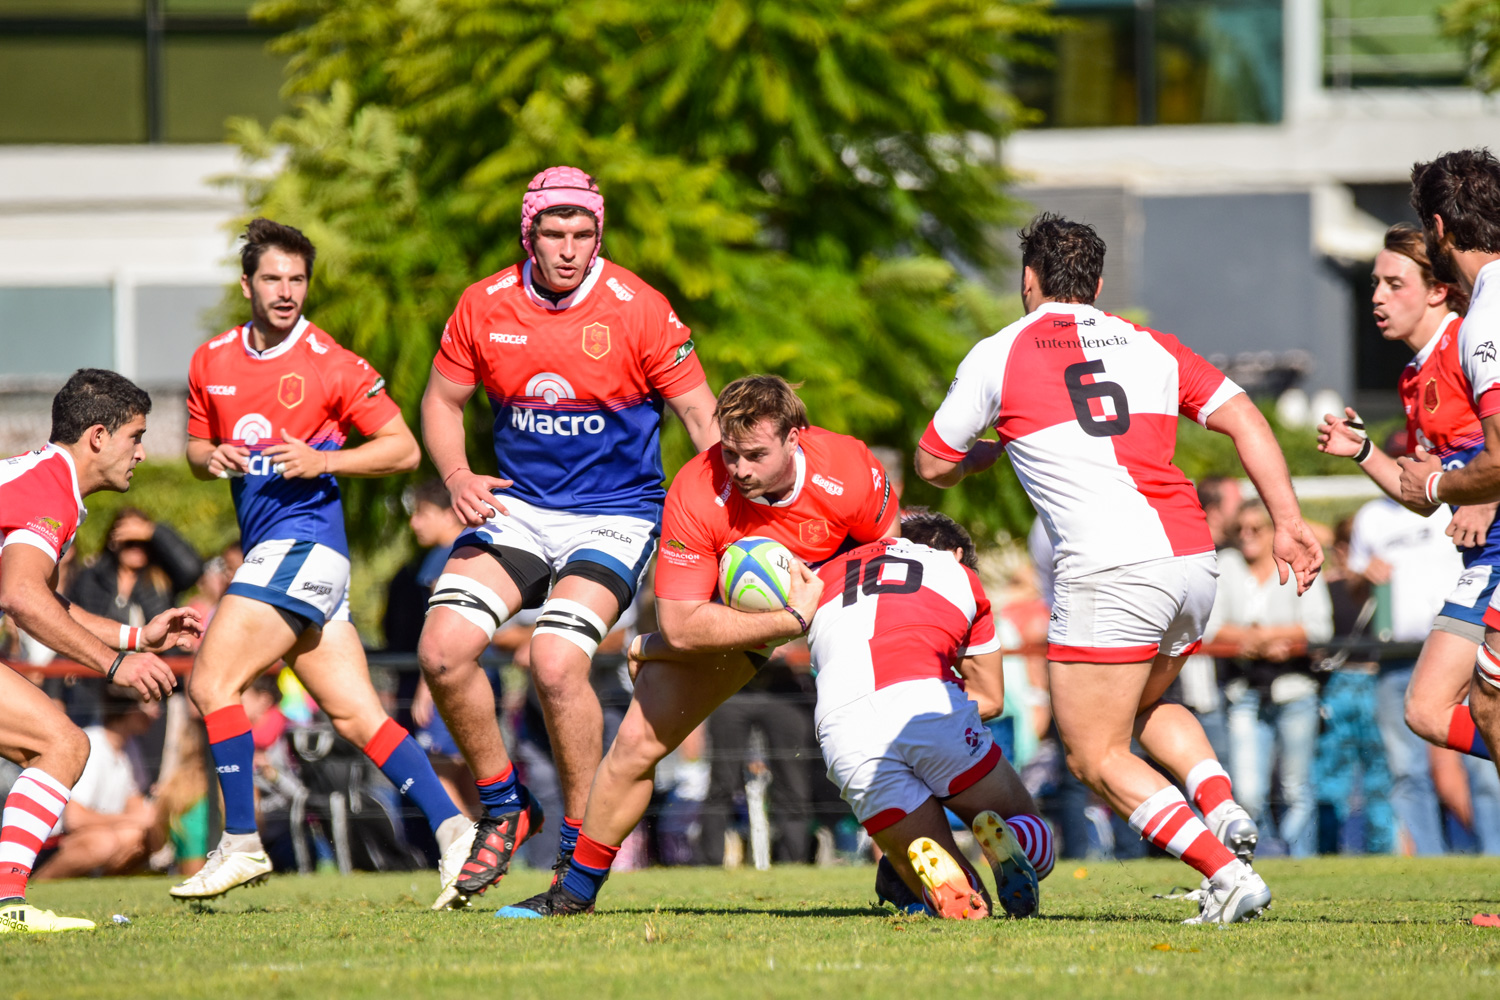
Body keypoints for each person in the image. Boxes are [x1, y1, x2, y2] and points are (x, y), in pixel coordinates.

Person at [914, 214, 1323, 924]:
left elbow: (931, 463)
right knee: (1137, 709)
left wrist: (983, 454)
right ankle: (1221, 811)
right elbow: (1246, 419)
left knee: (1094, 755)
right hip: (1192, 559)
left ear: (1028, 281)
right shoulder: (1151, 344)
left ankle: (1227, 873)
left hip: (1109, 566)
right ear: (1099, 286)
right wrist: (1288, 521)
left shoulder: (1000, 353)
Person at [416, 166, 719, 903]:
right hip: (519, 507)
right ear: (530, 233)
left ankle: (579, 842)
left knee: (555, 660)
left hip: (615, 513)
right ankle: (504, 805)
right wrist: (457, 477)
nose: (569, 248)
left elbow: (704, 418)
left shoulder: (638, 308)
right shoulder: (484, 305)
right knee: (442, 650)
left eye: (583, 234)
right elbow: (440, 401)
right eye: (554, 233)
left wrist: (722, 519)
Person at [495, 375, 895, 917]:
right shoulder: (698, 488)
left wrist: (814, 616)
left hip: (839, 605)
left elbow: (888, 552)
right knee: (636, 743)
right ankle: (573, 891)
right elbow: (684, 624)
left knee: (881, 727)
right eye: (731, 453)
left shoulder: (848, 466)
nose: (740, 469)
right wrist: (786, 620)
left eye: (756, 454)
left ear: (795, 437)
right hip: (734, 619)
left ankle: (907, 873)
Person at [171, 218, 472, 906]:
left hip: (303, 547)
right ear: (247, 284)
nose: (285, 291)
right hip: (293, 562)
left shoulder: (331, 362)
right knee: (357, 716)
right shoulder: (211, 360)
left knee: (212, 684)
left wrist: (323, 459)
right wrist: (207, 458)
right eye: (272, 278)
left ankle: (241, 841)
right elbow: (193, 450)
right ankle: (456, 830)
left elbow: (402, 449)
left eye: (298, 279)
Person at [0, 369, 196, 933]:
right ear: (97, 438)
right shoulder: (50, 488)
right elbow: (20, 595)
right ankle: (10, 908)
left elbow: (44, 599)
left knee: (50, 746)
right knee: (61, 743)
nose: (141, 452)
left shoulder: (39, 477)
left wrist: (137, 637)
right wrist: (116, 664)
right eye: (136, 436)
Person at [1318, 224, 1497, 798]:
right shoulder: (1414, 375)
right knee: (1425, 710)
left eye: (1394, 284)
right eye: (1374, 283)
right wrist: (1364, 451)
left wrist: (1486, 499)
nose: (1377, 297)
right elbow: (1421, 494)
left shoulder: (1467, 342)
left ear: (1438, 289)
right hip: (1479, 564)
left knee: (1482, 701)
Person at [810, 510, 1055, 919]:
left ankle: (953, 881)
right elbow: (991, 697)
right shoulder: (954, 571)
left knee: (945, 882)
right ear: (956, 553)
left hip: (840, 726)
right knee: (1031, 829)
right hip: (925, 702)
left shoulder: (824, 575)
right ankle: (1014, 839)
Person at [1395, 149, 1500, 920]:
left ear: (1437, 230)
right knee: (1484, 707)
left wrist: (1439, 484)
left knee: (1485, 704)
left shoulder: (1484, 319)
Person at [1207, 500, 1333, 857]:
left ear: (1273, 531)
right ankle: (1262, 859)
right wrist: (1259, 641)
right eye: (1239, 530)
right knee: (1247, 789)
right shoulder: (1225, 566)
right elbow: (1210, 627)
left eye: (1255, 529)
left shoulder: (1298, 564)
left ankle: (1299, 860)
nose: (1247, 536)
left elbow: (1319, 628)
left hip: (1295, 687)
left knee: (1297, 787)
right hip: (1244, 688)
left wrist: (1274, 640)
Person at [34, 689, 162, 880]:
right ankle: (35, 885)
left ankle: (95, 886)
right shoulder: (92, 743)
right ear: (127, 709)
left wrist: (153, 817)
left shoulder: (130, 746)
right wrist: (133, 819)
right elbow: (75, 819)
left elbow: (134, 802)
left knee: (136, 836)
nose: (156, 713)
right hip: (53, 842)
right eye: (146, 705)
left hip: (94, 834)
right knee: (104, 843)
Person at [68, 508, 204, 628]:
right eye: (129, 542)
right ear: (113, 542)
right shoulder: (92, 578)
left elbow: (193, 569)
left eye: (143, 542)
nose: (136, 548)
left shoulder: (161, 577)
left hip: (152, 655)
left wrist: (152, 531)